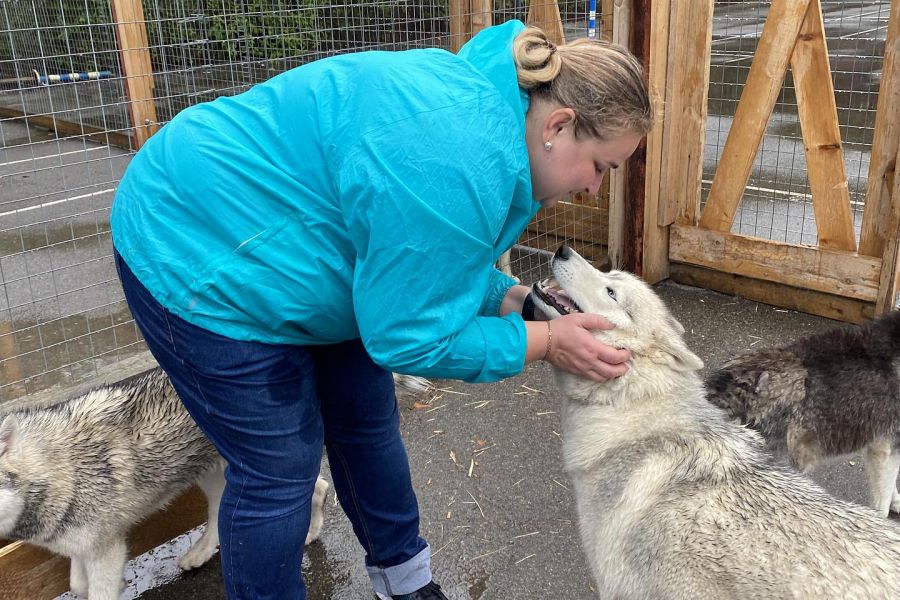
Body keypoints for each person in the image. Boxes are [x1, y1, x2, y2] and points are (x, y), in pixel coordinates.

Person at [110, 18, 652, 600]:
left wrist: (509, 299)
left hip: (307, 248)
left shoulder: (501, 123)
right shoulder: (458, 161)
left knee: (365, 416)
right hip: (196, 245)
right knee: (279, 467)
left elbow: (427, 262)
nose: (595, 188)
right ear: (559, 124)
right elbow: (407, 338)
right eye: (601, 166)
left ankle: (405, 582)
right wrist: (544, 343)